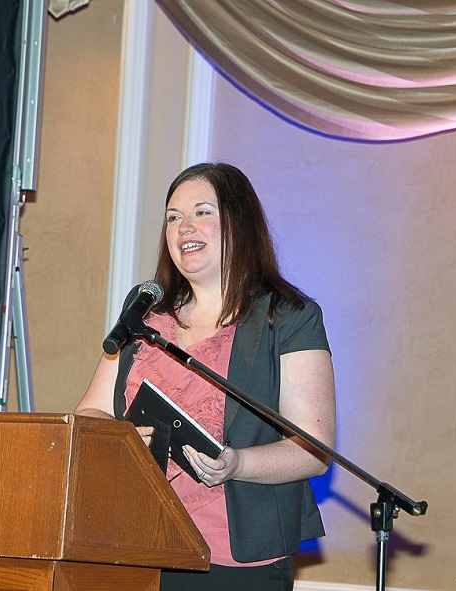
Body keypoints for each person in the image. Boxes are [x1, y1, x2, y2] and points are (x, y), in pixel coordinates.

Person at [75, 162, 336, 591]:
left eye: (202, 212)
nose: (183, 228)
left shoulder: (288, 317)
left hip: (235, 560)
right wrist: (121, 441)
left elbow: (313, 447)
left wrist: (237, 463)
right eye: (173, 218)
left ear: (240, 224)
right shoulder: (145, 313)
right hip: (135, 543)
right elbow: (90, 413)